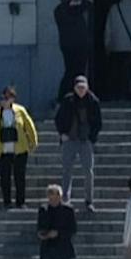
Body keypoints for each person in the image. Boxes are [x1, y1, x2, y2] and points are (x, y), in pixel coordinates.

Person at [0, 84, 39, 209]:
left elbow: (29, 127)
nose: (4, 101)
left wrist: (33, 142)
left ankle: (21, 201)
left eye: (7, 98)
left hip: (19, 149)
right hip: (2, 150)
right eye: (3, 98)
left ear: (13, 99)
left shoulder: (20, 110)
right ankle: (7, 201)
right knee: (5, 178)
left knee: (20, 177)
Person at [54, 75, 103, 211]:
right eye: (78, 87)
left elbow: (98, 122)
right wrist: (62, 133)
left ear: (87, 87)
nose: (81, 90)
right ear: (74, 88)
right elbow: (58, 118)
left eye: (83, 87)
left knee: (88, 171)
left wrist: (92, 138)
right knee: (67, 170)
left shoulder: (93, 101)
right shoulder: (67, 100)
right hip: (70, 139)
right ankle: (65, 199)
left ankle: (89, 200)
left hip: (85, 140)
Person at [55, 0, 93, 100]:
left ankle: (65, 94)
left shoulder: (58, 10)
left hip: (66, 46)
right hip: (79, 46)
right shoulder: (73, 10)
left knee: (70, 71)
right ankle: (76, 94)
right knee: (78, 71)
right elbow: (89, 3)